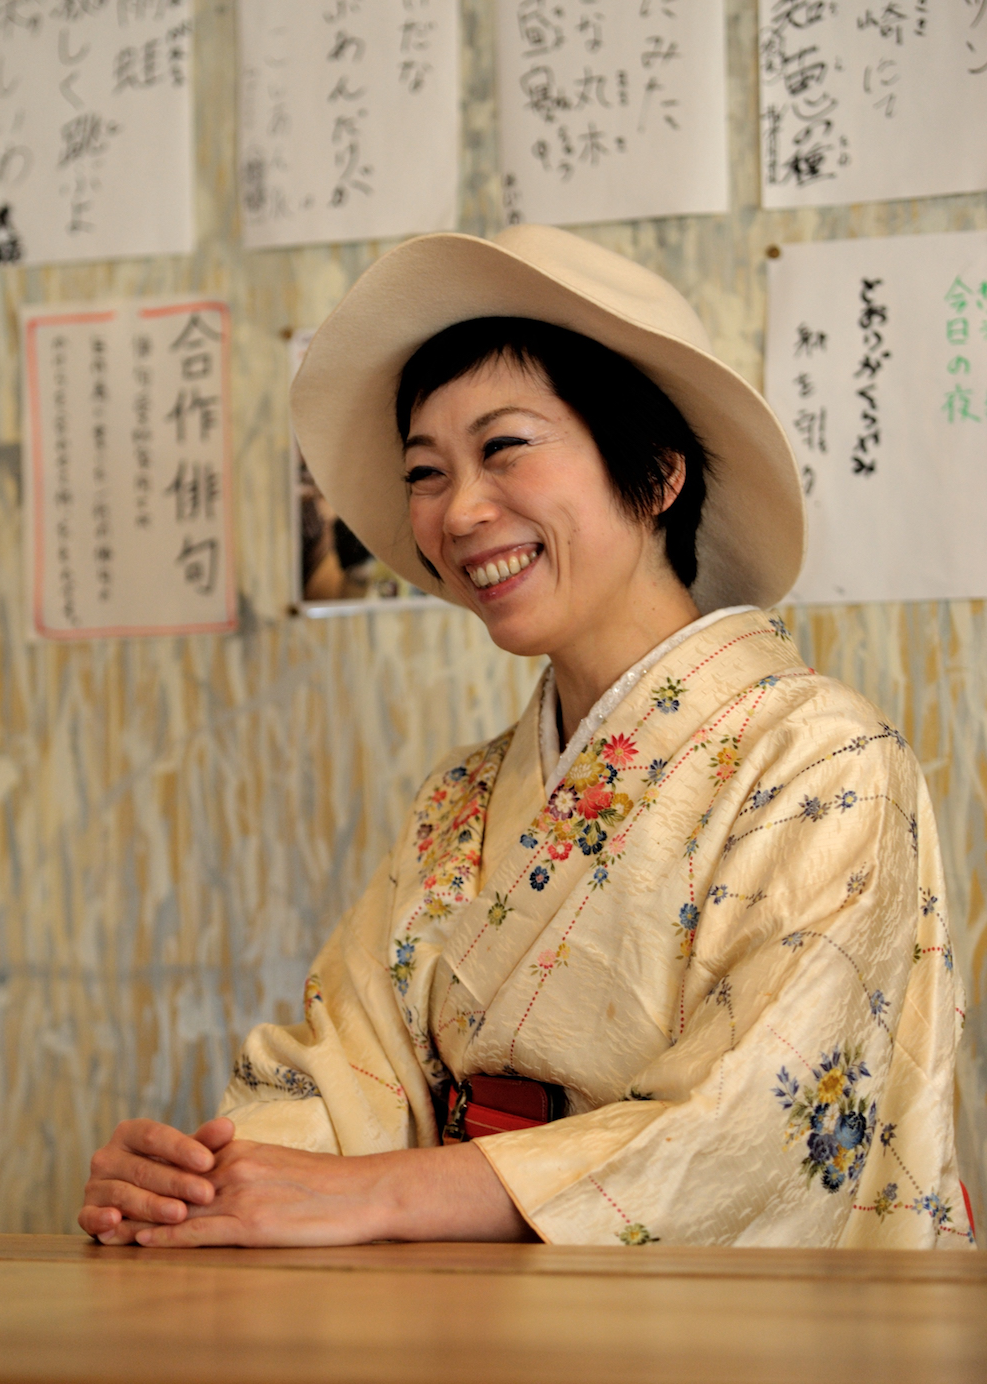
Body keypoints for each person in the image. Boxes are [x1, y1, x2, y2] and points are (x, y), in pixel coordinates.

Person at [80, 226, 973, 1250]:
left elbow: (752, 1130)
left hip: (710, 1334)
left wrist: (387, 1194)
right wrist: (200, 1179)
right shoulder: (458, 800)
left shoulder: (824, 760)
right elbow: (348, 1075)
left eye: (504, 448)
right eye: (425, 472)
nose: (460, 511)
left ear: (658, 474)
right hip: (468, 1316)